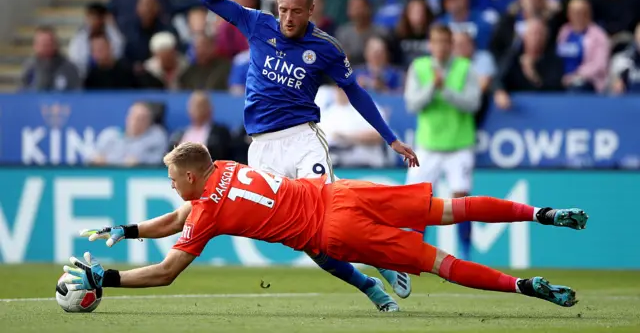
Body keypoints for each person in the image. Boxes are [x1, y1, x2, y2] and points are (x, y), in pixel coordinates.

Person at [68, 142, 587, 311]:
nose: (171, 187)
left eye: (170, 178)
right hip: (344, 192)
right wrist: (132, 229)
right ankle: (540, 213)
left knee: (440, 263)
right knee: (451, 208)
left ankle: (524, 288)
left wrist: (105, 279)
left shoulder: (208, 210)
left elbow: (165, 273)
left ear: (187, 176)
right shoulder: (225, 168)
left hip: (335, 234)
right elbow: (178, 217)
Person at [196, 0, 419, 312]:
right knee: (307, 238)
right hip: (262, 150)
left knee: (332, 216)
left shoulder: (326, 48)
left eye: (295, 12)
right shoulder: (258, 24)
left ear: (310, 11)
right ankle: (368, 286)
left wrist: (390, 138)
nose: (287, 18)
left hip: (302, 140)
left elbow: (356, 92)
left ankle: (383, 258)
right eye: (282, 9)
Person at [404, 24, 482, 261]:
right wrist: (432, 87)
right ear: (430, 44)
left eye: (444, 42)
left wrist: (445, 90)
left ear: (451, 44)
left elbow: (473, 103)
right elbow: (412, 104)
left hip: (459, 144)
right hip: (428, 145)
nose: (439, 46)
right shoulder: (418, 67)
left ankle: (466, 253)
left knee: (461, 199)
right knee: (418, 202)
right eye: (435, 41)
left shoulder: (465, 67)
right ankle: (414, 252)